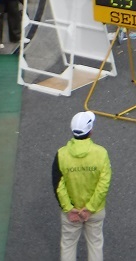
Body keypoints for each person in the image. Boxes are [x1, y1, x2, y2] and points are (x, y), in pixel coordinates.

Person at [52, 111, 111, 261]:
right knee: (95, 244)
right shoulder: (101, 153)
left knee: (68, 245)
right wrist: (90, 208)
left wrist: (69, 209)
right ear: (90, 131)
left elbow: (58, 185)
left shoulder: (61, 154)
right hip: (95, 211)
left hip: (71, 212)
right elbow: (103, 185)